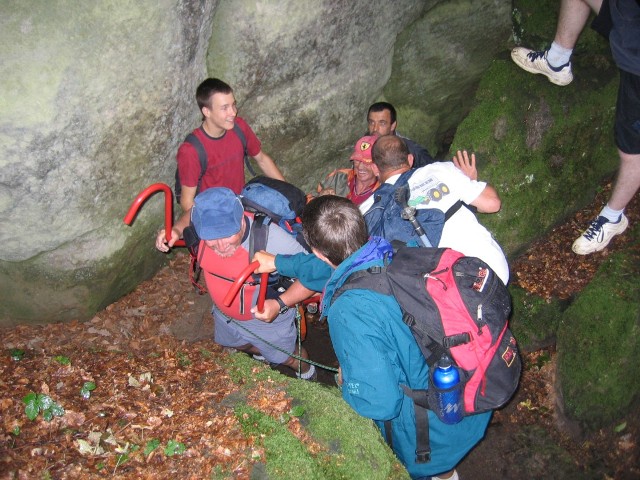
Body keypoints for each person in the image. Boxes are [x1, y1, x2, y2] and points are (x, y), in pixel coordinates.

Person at [253, 195, 491, 480]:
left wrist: (345, 383)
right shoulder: (399, 249)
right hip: (472, 392)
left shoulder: (350, 312)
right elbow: (335, 267)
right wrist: (280, 263)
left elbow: (381, 403)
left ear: (318, 252)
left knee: (429, 468)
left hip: (431, 431)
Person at [511, 0, 639, 255]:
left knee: (631, 150)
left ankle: (613, 218)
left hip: (636, 62)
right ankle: (557, 60)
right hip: (629, 19)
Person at [155, 187, 317, 380]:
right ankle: (261, 352)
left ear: (241, 219)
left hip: (266, 318)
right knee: (234, 343)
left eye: (227, 234)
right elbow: (194, 212)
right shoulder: (202, 225)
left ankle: (307, 374)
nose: (222, 246)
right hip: (225, 315)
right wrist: (176, 229)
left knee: (287, 357)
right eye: (212, 238)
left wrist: (280, 303)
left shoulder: (270, 239)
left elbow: (315, 274)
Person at [360, 135, 509, 284]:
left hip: (440, 297)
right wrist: (470, 181)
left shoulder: (365, 211)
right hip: (491, 270)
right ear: (410, 159)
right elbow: (492, 203)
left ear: (374, 168)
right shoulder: (439, 170)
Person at [174, 78, 285, 234]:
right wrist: (220, 227)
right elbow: (187, 202)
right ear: (206, 111)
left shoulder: (239, 127)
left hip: (241, 204)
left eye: (233, 105)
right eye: (225, 108)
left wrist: (288, 194)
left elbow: (262, 159)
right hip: (214, 216)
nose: (233, 112)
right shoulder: (191, 150)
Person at [310, 135, 380, 205]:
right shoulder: (338, 178)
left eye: (366, 162)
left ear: (378, 164)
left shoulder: (381, 194)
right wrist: (320, 198)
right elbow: (307, 201)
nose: (360, 167)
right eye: (357, 160)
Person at [367, 102, 436, 168]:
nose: (375, 128)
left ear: (393, 126)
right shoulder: (364, 143)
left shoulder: (411, 150)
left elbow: (434, 171)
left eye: (382, 123)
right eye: (371, 122)